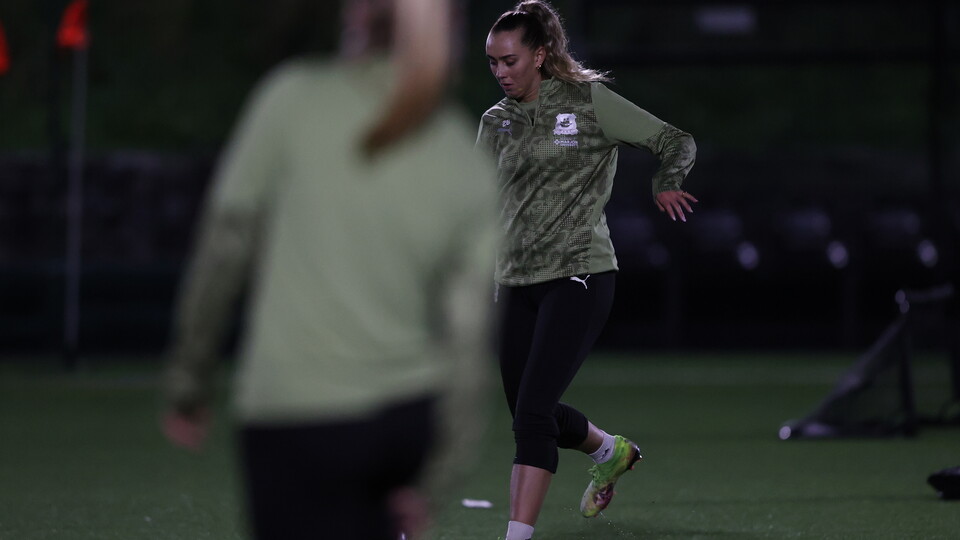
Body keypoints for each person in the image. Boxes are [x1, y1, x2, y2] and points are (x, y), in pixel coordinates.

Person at [160, 1, 498, 538]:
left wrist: (188, 381)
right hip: (403, 420)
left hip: (299, 411)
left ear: (357, 19)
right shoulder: (464, 157)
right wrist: (438, 474)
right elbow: (468, 335)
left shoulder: (292, 100)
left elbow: (226, 245)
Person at [475, 2, 698, 538]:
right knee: (532, 411)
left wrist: (666, 179)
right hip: (513, 281)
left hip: (579, 274)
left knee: (531, 416)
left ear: (541, 55)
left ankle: (517, 536)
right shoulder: (495, 121)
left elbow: (675, 140)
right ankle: (609, 450)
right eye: (492, 63)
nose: (501, 72)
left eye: (510, 60)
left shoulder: (588, 102)